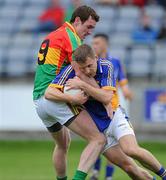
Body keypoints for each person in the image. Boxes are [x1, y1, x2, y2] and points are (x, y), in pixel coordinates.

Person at [45, 44, 165, 179]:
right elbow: (48, 93)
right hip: (99, 128)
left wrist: (82, 84)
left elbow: (107, 97)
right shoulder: (72, 70)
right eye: (83, 67)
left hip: (115, 117)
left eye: (90, 65)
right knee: (130, 168)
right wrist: (72, 98)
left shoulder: (106, 66)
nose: (87, 70)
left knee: (131, 149)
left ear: (95, 57)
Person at [33, 5, 106, 180]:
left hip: (39, 101)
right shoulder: (71, 37)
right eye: (88, 27)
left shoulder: (55, 34)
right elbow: (81, 71)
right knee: (98, 139)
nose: (89, 32)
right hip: (54, 97)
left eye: (92, 29)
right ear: (77, 20)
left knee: (63, 144)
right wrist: (101, 92)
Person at [90, 33, 133, 180]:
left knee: (113, 145)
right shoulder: (91, 63)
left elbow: (123, 80)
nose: (94, 46)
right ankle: (95, 173)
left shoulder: (115, 62)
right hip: (95, 110)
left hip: (112, 108)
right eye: (93, 43)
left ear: (104, 44)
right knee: (97, 142)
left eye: (96, 43)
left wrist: (126, 89)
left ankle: (108, 177)